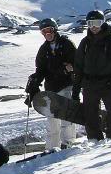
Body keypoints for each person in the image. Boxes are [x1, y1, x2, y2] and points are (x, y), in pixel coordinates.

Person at [72, 10, 111, 141]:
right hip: (89, 85)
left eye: (97, 23)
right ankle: (95, 142)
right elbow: (78, 68)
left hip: (108, 84)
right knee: (90, 117)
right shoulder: (85, 43)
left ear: (103, 23)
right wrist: (76, 91)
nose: (94, 27)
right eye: (90, 23)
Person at [25, 18, 78, 150]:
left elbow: (77, 63)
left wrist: (69, 69)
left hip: (67, 85)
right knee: (52, 120)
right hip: (51, 88)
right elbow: (41, 69)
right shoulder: (43, 49)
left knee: (66, 117)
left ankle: (68, 144)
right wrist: (35, 81)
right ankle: (51, 148)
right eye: (43, 31)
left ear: (54, 29)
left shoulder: (66, 44)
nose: (47, 33)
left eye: (48, 30)